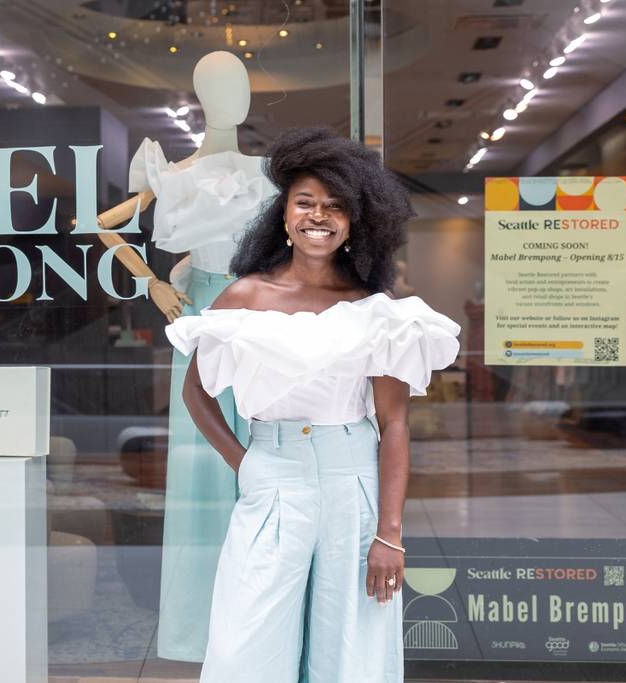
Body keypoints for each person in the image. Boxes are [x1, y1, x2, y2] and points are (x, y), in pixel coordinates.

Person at [164, 127, 461, 682]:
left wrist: (390, 534)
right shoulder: (245, 297)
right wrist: (244, 461)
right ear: (284, 215)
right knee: (247, 641)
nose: (317, 216)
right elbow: (196, 391)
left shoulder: (375, 309)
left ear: (355, 221)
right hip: (271, 476)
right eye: (305, 203)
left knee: (349, 646)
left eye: (334, 207)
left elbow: (394, 422)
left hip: (353, 483)